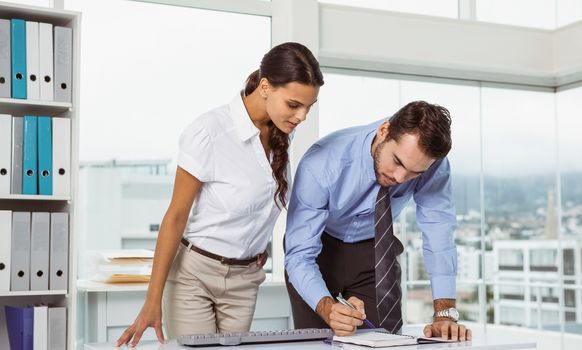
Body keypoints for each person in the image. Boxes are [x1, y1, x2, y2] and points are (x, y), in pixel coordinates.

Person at [116, 42, 323, 347]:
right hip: (194, 277)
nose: (302, 116)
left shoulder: (280, 133)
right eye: (294, 104)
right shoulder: (209, 132)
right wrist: (152, 300)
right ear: (265, 87)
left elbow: (258, 204)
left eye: (309, 107)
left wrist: (253, 242)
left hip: (245, 280)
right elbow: (175, 217)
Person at [284, 101, 472, 341]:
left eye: (414, 174)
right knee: (316, 342)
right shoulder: (321, 163)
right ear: (384, 131)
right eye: (397, 162)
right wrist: (326, 308)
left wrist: (444, 314)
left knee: (385, 341)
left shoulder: (430, 163)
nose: (400, 178)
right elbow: (299, 254)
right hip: (318, 251)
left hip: (376, 251)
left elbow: (439, 231)